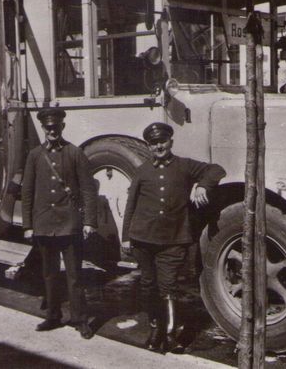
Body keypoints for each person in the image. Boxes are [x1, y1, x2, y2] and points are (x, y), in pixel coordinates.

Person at [123, 122, 225, 353]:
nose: (158, 146)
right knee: (149, 286)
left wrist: (202, 185)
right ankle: (155, 329)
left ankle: (169, 335)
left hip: (173, 240)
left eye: (162, 141)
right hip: (143, 240)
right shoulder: (143, 170)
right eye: (153, 143)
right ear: (148, 146)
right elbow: (131, 205)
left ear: (170, 141)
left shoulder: (184, 166)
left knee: (168, 287)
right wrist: (126, 237)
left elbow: (217, 169)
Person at [22, 108, 98, 339]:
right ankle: (53, 316)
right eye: (48, 127)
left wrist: (89, 222)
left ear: (62, 127)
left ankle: (80, 320)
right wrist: (27, 225)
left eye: (56, 127)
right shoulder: (35, 155)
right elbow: (27, 191)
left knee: (75, 276)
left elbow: (87, 189)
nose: (52, 131)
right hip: (44, 224)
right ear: (43, 129)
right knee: (49, 274)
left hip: (70, 224)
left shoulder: (74, 153)